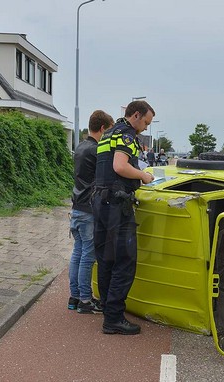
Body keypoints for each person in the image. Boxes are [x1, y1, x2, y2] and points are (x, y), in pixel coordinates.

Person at [93, 100, 155, 335]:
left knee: (106, 259)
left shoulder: (108, 134)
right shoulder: (127, 136)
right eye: (146, 122)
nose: (146, 128)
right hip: (117, 205)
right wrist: (143, 176)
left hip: (99, 201)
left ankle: (108, 309)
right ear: (136, 115)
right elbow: (120, 166)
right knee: (125, 262)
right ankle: (114, 318)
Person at [68, 110, 114, 313]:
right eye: (109, 131)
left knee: (77, 254)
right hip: (88, 210)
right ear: (103, 128)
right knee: (88, 256)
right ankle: (86, 300)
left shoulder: (80, 147)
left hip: (77, 207)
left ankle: (74, 298)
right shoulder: (96, 151)